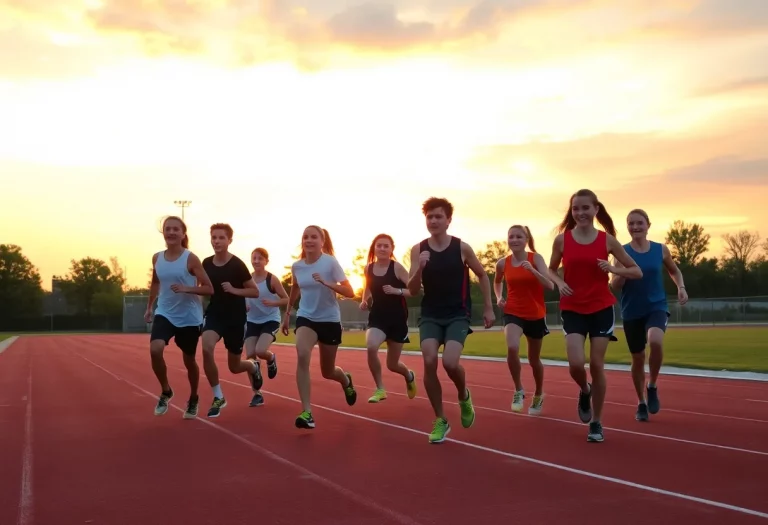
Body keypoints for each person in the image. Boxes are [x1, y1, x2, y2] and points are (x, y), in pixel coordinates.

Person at [547, 189, 643, 443]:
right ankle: (584, 389)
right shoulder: (562, 240)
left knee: (597, 364)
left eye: (585, 208)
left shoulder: (607, 241)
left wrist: (612, 268)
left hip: (601, 308)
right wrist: (558, 282)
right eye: (576, 209)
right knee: (576, 364)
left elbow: (636, 270)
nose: (580, 213)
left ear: (595, 210)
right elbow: (550, 269)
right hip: (572, 307)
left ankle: (597, 422)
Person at [407, 197, 495, 444]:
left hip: (458, 313)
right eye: (429, 217)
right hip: (431, 314)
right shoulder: (418, 249)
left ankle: (463, 395)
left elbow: (482, 275)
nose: (433, 221)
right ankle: (441, 419)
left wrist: (488, 307)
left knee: (450, 362)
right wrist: (419, 269)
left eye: (438, 216)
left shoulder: (461, 248)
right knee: (429, 359)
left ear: (448, 220)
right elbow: (413, 290)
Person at [610, 209, 688, 421]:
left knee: (655, 340)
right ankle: (641, 402)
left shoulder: (660, 249)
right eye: (631, 223)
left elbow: (674, 270)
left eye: (639, 223)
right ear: (627, 227)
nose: (635, 227)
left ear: (648, 225)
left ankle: (652, 384)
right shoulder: (621, 252)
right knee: (637, 358)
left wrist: (680, 286)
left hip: (656, 306)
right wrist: (620, 274)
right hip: (631, 311)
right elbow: (614, 285)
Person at [281, 225, 357, 429]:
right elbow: (295, 287)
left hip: (329, 319)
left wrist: (327, 283)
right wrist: (287, 314)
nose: (309, 240)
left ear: (322, 241)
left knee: (328, 371)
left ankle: (345, 380)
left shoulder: (330, 263)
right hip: (307, 317)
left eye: (314, 237)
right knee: (302, 354)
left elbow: (350, 291)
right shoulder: (297, 266)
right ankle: (307, 412)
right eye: (305, 237)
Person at [145, 215, 213, 419]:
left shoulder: (190, 258)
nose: (172, 232)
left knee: (189, 360)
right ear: (163, 232)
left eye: (176, 229)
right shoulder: (157, 257)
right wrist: (149, 307)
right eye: (168, 229)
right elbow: (156, 283)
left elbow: (209, 288)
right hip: (165, 312)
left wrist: (187, 288)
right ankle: (166, 391)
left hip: (189, 317)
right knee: (155, 349)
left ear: (183, 234)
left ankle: (193, 398)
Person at [200, 223, 262, 418]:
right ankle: (218, 396)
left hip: (235, 318)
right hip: (215, 314)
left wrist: (235, 290)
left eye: (221, 238)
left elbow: (254, 290)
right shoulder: (206, 263)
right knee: (206, 347)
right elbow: (203, 288)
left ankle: (253, 366)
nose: (216, 241)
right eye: (214, 237)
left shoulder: (237, 265)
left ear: (229, 241)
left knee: (234, 367)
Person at [493, 225, 554, 415]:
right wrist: (498, 297)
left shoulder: (535, 258)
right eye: (511, 236)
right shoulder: (503, 263)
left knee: (534, 359)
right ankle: (518, 389)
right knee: (512, 347)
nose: (514, 240)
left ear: (526, 240)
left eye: (519, 236)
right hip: (513, 311)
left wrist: (533, 271)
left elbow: (550, 285)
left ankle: (538, 393)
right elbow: (497, 281)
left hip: (535, 314)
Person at [359, 233, 418, 403]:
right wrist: (364, 299)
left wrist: (396, 290)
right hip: (377, 317)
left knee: (392, 365)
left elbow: (413, 290)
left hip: (397, 319)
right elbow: (368, 286)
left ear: (392, 249)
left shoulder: (397, 268)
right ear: (374, 248)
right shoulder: (368, 268)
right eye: (379, 246)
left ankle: (408, 375)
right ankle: (380, 389)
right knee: (371, 346)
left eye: (386, 246)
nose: (382, 249)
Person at [244, 247, 288, 407]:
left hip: (270, 319)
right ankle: (257, 394)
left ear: (266, 261)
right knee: (250, 356)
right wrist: (245, 306)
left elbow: (286, 299)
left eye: (260, 258)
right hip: (252, 321)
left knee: (260, 351)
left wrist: (273, 302)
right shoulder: (247, 279)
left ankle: (271, 358)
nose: (256, 261)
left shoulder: (272, 279)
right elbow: (244, 297)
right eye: (254, 258)